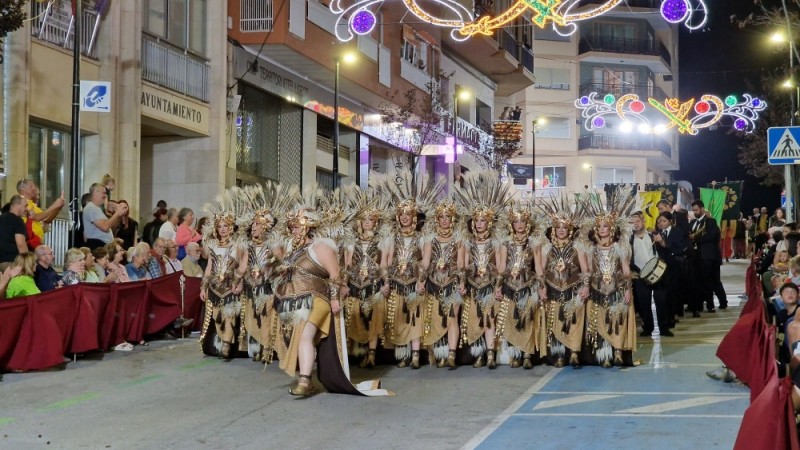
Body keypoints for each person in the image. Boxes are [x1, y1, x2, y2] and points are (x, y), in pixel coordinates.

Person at [382, 171, 443, 368]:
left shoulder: (423, 237)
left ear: (414, 217)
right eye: (402, 215)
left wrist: (421, 281)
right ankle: (404, 353)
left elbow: (426, 261)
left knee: (416, 317)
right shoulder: (392, 237)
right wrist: (386, 283)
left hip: (415, 283)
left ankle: (416, 355)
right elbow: (387, 261)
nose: (405, 218)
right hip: (397, 283)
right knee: (399, 318)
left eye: (409, 215)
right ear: (398, 217)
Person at [456, 171, 512, 369]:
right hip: (472, 287)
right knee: (473, 321)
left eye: (483, 220)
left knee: (489, 320)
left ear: (489, 223)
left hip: (489, 286)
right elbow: (461, 265)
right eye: (477, 220)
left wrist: (498, 286)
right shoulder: (466, 241)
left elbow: (501, 266)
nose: (479, 224)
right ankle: (478, 354)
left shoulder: (497, 242)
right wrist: (462, 283)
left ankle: (490, 353)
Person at [583, 187, 637, 368]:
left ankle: (619, 352)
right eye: (599, 226)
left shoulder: (620, 247)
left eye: (605, 226)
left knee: (617, 321)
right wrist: (585, 287)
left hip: (618, 289)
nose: (602, 229)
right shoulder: (592, 248)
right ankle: (604, 354)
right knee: (599, 322)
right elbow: (588, 271)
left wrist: (628, 290)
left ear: (612, 228)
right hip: (597, 290)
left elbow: (626, 270)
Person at [537, 194, 589, 368]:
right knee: (555, 321)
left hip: (573, 289)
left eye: (564, 227)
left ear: (570, 230)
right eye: (558, 227)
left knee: (573, 320)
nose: (561, 230)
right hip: (552, 289)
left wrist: (586, 287)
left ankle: (574, 352)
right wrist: (541, 288)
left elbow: (585, 270)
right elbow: (541, 272)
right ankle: (559, 354)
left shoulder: (578, 247)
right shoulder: (547, 248)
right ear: (553, 229)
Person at [342, 184, 390, 368]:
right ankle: (354, 353)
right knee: (353, 316)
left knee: (375, 318)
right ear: (359, 222)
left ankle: (372, 354)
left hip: (374, 283)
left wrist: (386, 283)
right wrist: (344, 284)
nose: (367, 222)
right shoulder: (351, 242)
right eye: (364, 219)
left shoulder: (381, 242)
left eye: (371, 219)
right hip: (354, 283)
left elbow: (384, 264)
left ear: (376, 222)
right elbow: (347, 265)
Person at [199, 198, 248, 360]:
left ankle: (227, 343)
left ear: (231, 227)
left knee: (229, 314)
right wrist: (203, 287)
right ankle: (222, 340)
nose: (222, 229)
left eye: (225, 226)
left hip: (231, 285)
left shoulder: (238, 245)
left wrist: (239, 283)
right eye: (219, 226)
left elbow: (242, 267)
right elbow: (209, 268)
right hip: (214, 287)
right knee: (216, 316)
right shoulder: (212, 246)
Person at [418, 198, 463, 369]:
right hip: (433, 284)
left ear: (452, 220)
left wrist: (462, 282)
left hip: (452, 284)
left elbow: (460, 264)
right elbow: (425, 262)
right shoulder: (431, 240)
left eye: (448, 217)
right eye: (442, 217)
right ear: (437, 219)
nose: (445, 220)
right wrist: (421, 281)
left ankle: (451, 354)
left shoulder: (459, 240)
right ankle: (438, 352)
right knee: (436, 319)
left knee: (452, 318)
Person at [497, 199, 542, 369]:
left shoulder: (533, 243)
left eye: (522, 221)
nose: (520, 224)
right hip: (509, 286)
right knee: (511, 319)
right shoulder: (506, 243)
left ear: (527, 223)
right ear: (512, 224)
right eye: (516, 221)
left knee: (528, 319)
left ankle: (527, 354)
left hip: (528, 286)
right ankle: (515, 354)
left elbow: (538, 267)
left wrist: (541, 287)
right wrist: (498, 286)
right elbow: (501, 267)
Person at [631, 212, 672, 338]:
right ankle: (647, 328)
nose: (635, 224)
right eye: (632, 222)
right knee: (644, 303)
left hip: (658, 274)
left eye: (637, 221)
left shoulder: (653, 235)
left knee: (661, 302)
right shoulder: (629, 240)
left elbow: (668, 249)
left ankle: (664, 328)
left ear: (643, 221)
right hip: (640, 276)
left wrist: (662, 242)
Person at [690, 200, 727, 312]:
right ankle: (702, 303)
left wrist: (695, 238)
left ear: (702, 209)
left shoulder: (710, 221)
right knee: (701, 281)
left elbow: (711, 237)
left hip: (710, 256)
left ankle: (720, 302)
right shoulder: (692, 223)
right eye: (693, 210)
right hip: (697, 256)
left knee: (713, 280)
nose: (695, 212)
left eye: (696, 210)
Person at [655, 211, 688, 328]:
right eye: (660, 221)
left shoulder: (677, 232)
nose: (662, 224)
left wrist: (664, 243)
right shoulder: (657, 233)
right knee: (664, 292)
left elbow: (680, 248)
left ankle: (675, 313)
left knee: (674, 290)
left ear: (670, 222)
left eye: (664, 221)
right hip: (661, 266)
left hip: (674, 265)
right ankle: (666, 315)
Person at [16, 178, 65, 249]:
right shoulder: (21, 201)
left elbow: (47, 219)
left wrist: (58, 208)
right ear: (23, 188)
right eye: (31, 186)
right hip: (29, 241)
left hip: (36, 241)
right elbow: (35, 217)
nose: (34, 189)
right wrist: (54, 205)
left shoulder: (32, 204)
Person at [83, 183, 128, 250]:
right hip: (97, 246)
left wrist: (119, 214)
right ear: (96, 192)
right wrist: (117, 213)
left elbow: (111, 227)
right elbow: (105, 227)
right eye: (103, 193)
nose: (105, 196)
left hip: (103, 245)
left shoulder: (97, 209)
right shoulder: (91, 208)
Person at [0, 195, 29, 264]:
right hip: (12, 263)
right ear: (17, 205)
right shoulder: (18, 221)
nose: (26, 209)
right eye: (25, 206)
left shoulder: (1, 218)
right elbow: (21, 244)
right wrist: (27, 263)